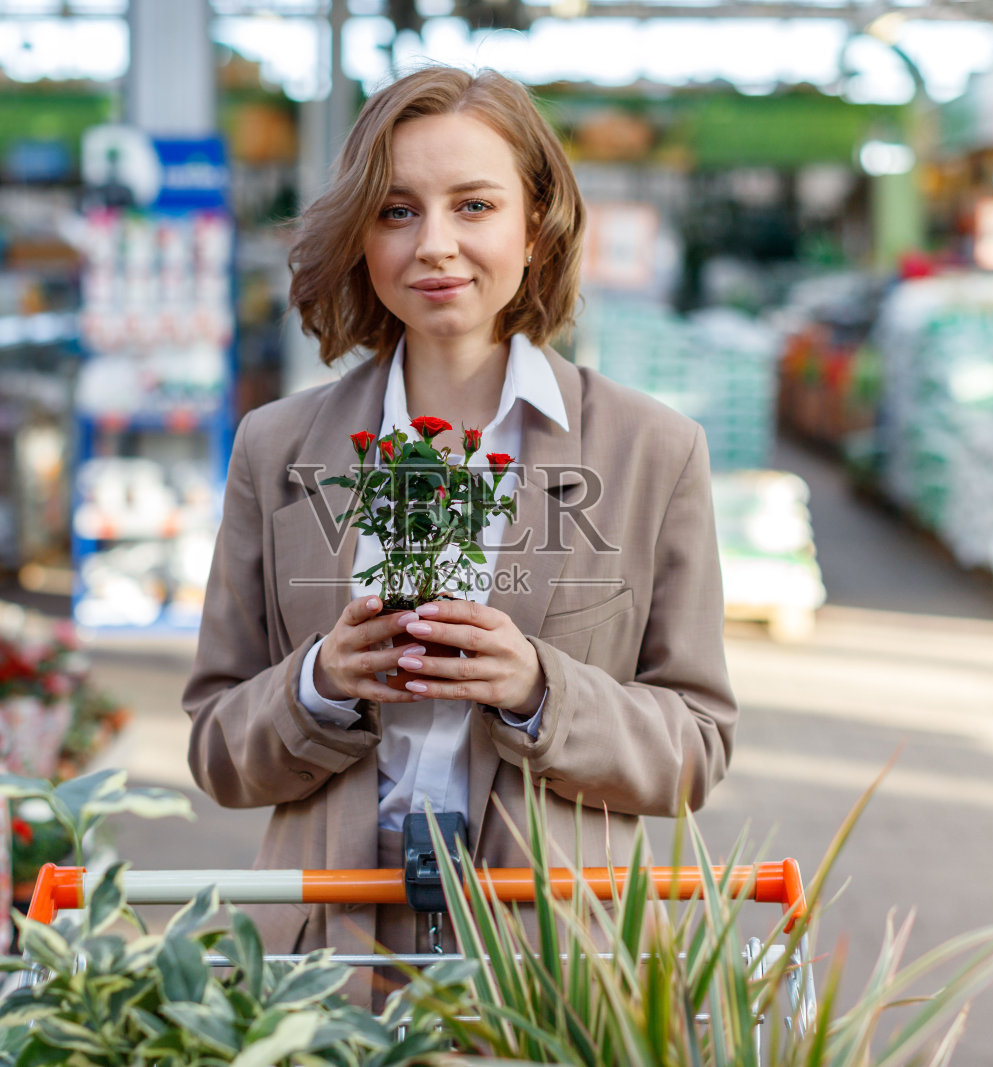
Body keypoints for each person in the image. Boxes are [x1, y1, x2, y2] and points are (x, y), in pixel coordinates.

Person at [183, 65, 736, 1004]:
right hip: (326, 955)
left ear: (536, 225)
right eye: (396, 211)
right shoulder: (276, 449)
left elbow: (696, 748)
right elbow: (216, 748)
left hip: (552, 960)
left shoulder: (652, 451)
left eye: (473, 205)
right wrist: (319, 682)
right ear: (361, 235)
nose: (434, 244)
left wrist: (536, 688)